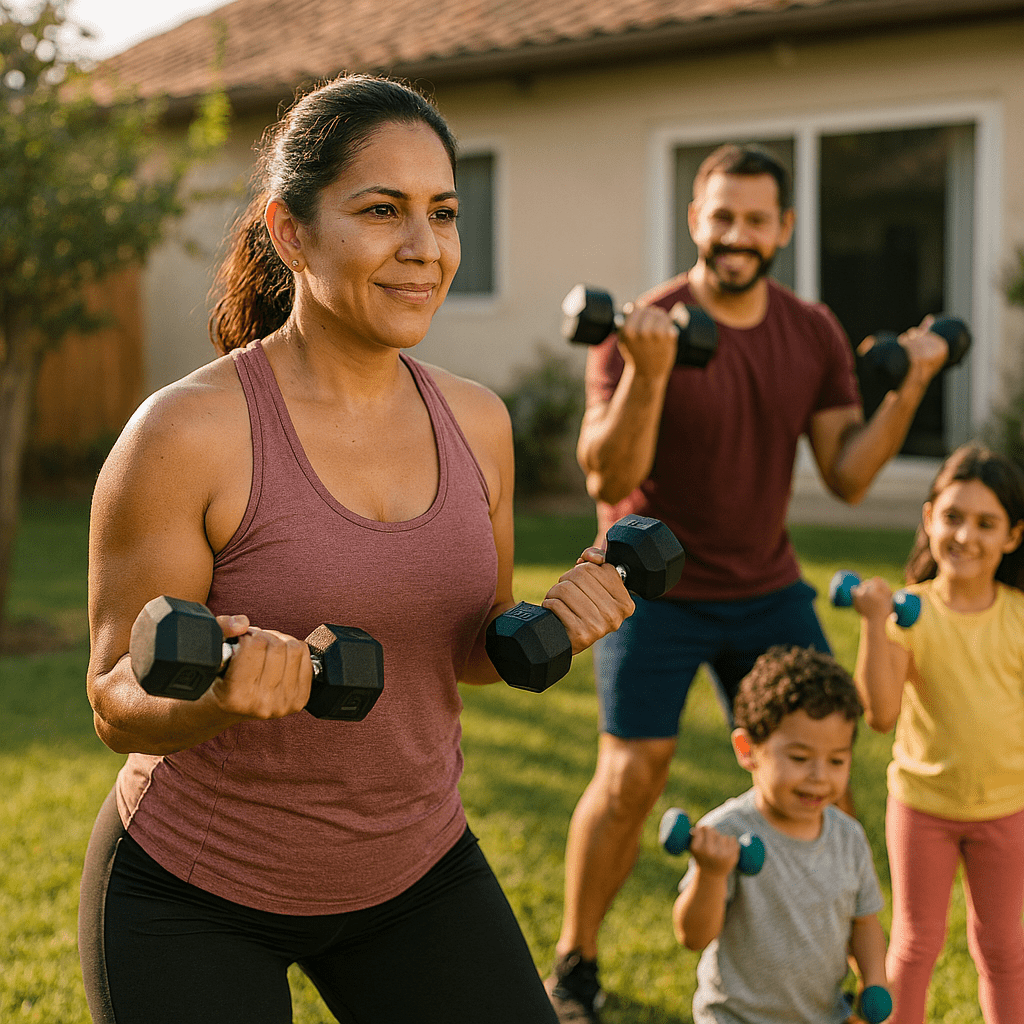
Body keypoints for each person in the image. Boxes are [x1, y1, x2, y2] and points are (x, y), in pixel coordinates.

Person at [77, 74, 636, 1024]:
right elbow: (114, 699)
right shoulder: (187, 435)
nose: (424, 249)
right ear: (288, 231)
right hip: (195, 887)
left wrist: (553, 624)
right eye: (382, 211)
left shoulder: (477, 422)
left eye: (444, 213)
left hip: (413, 867)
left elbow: (470, 651)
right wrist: (218, 696)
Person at [546, 142, 950, 1021]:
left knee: (826, 772)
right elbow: (603, 472)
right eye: (720, 215)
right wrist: (649, 374)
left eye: (755, 219)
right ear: (696, 221)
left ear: (784, 229)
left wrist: (910, 390)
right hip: (650, 589)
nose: (736, 234)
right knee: (633, 773)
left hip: (765, 583)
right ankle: (575, 963)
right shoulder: (643, 323)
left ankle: (835, 965)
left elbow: (845, 473)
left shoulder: (809, 333)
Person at [850, 443, 1024, 1024]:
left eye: (986, 523)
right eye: (952, 516)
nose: (965, 536)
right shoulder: (909, 613)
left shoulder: (1019, 615)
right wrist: (875, 625)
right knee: (916, 943)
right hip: (923, 808)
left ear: (1013, 537)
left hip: (1007, 810)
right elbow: (878, 713)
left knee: (1003, 949)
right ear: (929, 519)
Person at [673, 645, 889, 1024]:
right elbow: (692, 936)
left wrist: (874, 980)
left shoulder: (848, 837)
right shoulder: (725, 833)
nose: (819, 776)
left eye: (837, 760)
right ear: (749, 750)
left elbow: (865, 921)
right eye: (800, 758)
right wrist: (711, 874)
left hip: (823, 1016)